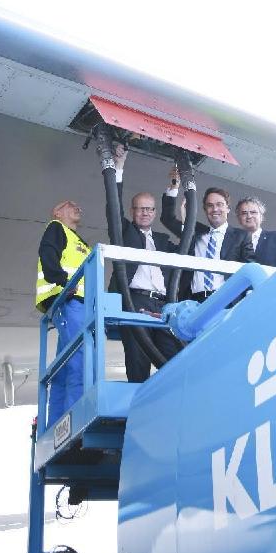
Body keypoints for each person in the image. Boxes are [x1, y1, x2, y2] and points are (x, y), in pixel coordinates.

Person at [108, 145, 178, 383]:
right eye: (140, 209)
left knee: (174, 357)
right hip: (134, 300)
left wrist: (173, 191)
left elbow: (190, 244)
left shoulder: (163, 241)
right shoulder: (126, 231)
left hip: (163, 306)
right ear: (133, 211)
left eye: (149, 209)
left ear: (155, 212)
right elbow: (113, 209)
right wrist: (118, 168)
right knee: (138, 360)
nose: (145, 213)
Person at [161, 169, 255, 302]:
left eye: (219, 205)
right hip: (193, 302)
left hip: (226, 302)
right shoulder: (194, 231)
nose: (215, 209)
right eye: (210, 206)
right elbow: (167, 219)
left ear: (228, 208)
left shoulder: (241, 236)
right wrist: (174, 187)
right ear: (205, 210)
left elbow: (250, 269)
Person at [36, 200, 91, 427]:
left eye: (78, 205)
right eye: (69, 205)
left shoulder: (77, 240)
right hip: (69, 302)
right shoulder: (56, 228)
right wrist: (63, 281)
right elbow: (48, 254)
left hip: (78, 306)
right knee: (81, 359)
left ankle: (56, 425)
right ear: (56, 212)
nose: (77, 206)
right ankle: (76, 422)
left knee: (64, 367)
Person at [235, 196, 276, 267]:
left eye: (253, 212)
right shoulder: (232, 242)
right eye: (244, 213)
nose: (249, 216)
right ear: (238, 218)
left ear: (261, 216)